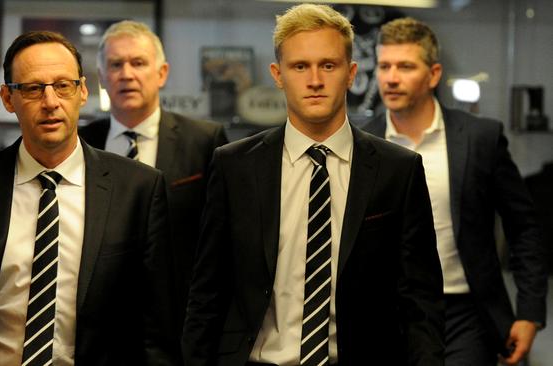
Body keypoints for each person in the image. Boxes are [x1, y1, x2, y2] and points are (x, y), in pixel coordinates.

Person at [182, 4, 444, 366]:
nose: (315, 80)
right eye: (300, 66)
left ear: (351, 74)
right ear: (278, 74)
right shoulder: (235, 166)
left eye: (329, 65)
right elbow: (207, 291)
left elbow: (420, 299)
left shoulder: (397, 170)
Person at [0, 31, 177, 365]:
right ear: (8, 99)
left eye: (63, 85)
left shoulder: (139, 188)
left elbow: (156, 329)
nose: (50, 102)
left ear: (82, 91)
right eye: (33, 89)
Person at [363, 17, 548, 366]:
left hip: (465, 311)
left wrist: (530, 312)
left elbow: (523, 227)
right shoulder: (363, 143)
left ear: (433, 74)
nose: (390, 77)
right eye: (384, 66)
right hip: (389, 310)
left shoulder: (480, 138)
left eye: (405, 66)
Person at [78, 21, 228, 328]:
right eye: (116, 64)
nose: (127, 74)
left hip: (180, 318)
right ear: (102, 79)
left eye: (138, 63)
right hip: (95, 320)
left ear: (162, 73)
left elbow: (222, 241)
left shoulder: (205, 141)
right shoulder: (81, 142)